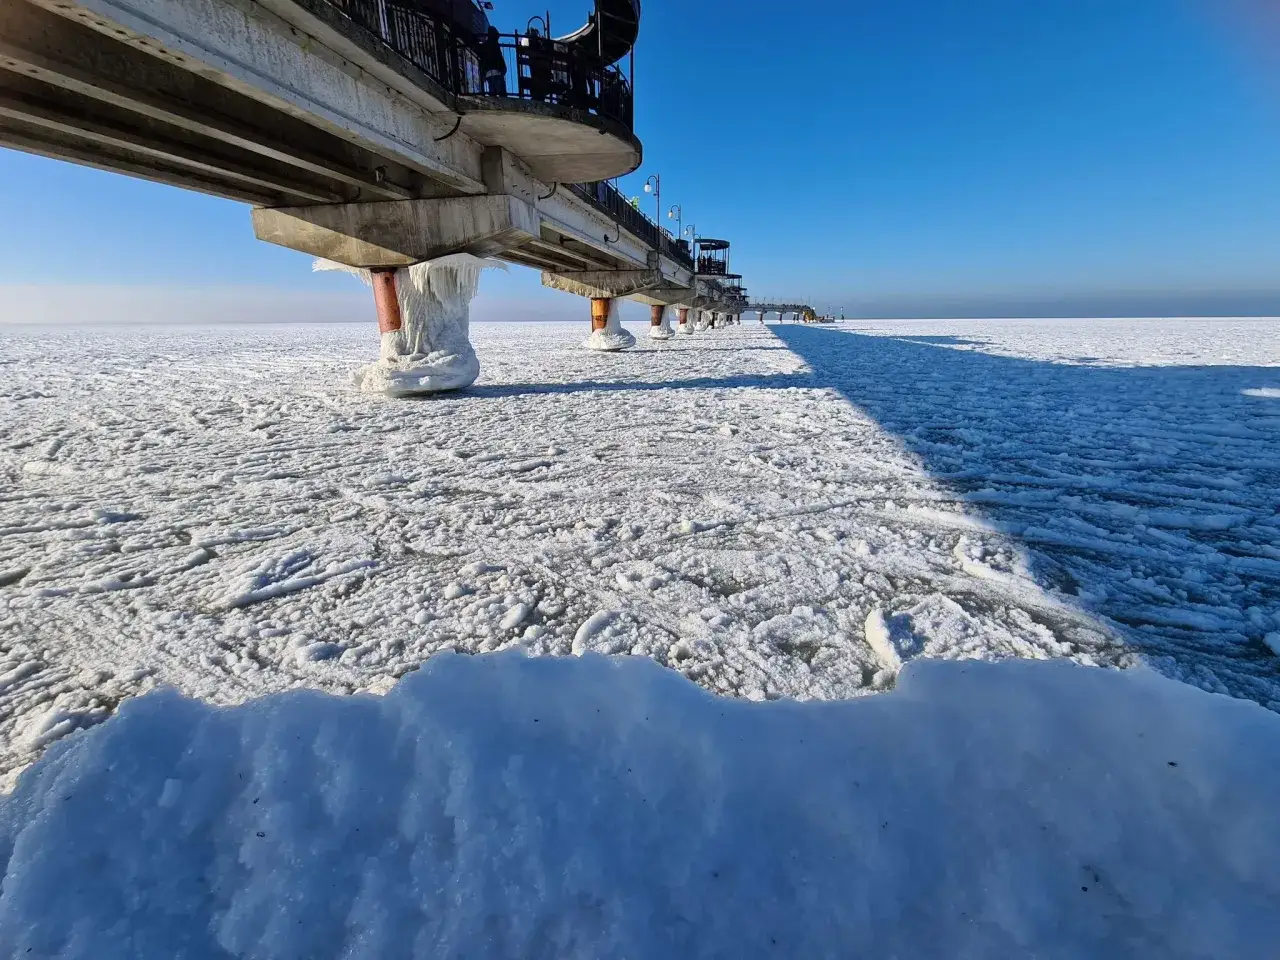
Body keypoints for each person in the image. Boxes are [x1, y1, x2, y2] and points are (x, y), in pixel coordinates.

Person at [480, 27, 506, 96]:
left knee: (492, 95)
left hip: (488, 73)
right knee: (502, 95)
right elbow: (499, 58)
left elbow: (483, 60)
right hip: (497, 72)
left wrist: (483, 73)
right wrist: (503, 69)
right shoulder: (495, 45)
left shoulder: (484, 46)